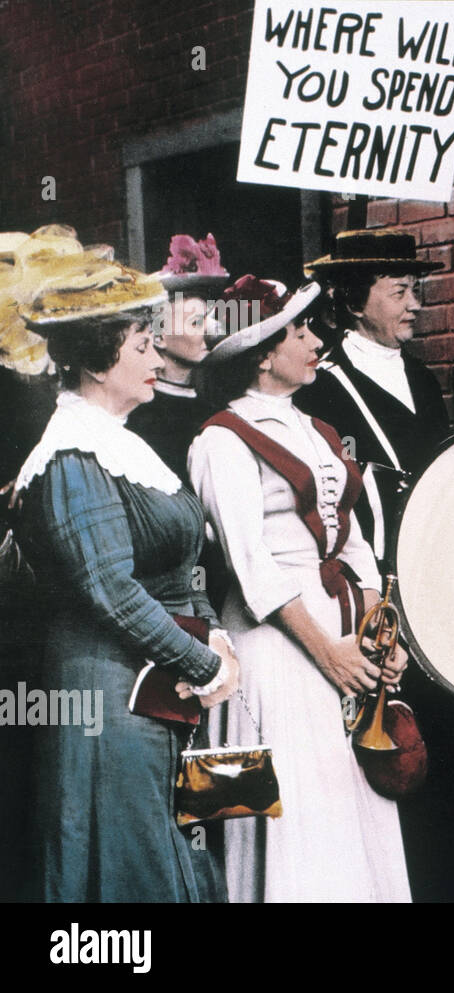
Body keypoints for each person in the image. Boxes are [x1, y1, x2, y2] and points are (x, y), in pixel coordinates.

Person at [14, 255, 239, 902]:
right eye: (142, 344)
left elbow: (176, 565)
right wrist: (201, 659)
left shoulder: (121, 440)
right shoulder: (73, 454)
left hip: (158, 683)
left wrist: (215, 637)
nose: (157, 355)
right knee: (129, 863)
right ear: (95, 359)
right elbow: (110, 588)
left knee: (165, 852)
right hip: (109, 694)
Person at [189, 275, 411, 903]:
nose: (316, 340)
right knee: (299, 816)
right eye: (300, 331)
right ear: (262, 353)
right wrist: (328, 651)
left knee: (352, 806)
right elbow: (251, 566)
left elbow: (355, 546)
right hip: (278, 649)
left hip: (341, 639)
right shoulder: (220, 439)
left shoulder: (319, 430)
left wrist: (377, 632)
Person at [294, 229, 450, 568]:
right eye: (400, 292)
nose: (415, 304)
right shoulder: (321, 386)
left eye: (415, 290)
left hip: (433, 558)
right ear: (355, 303)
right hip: (366, 572)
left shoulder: (424, 379)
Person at [126, 233, 228, 480]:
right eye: (196, 322)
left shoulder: (217, 408)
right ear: (158, 337)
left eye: (208, 320)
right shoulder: (138, 419)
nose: (210, 331)